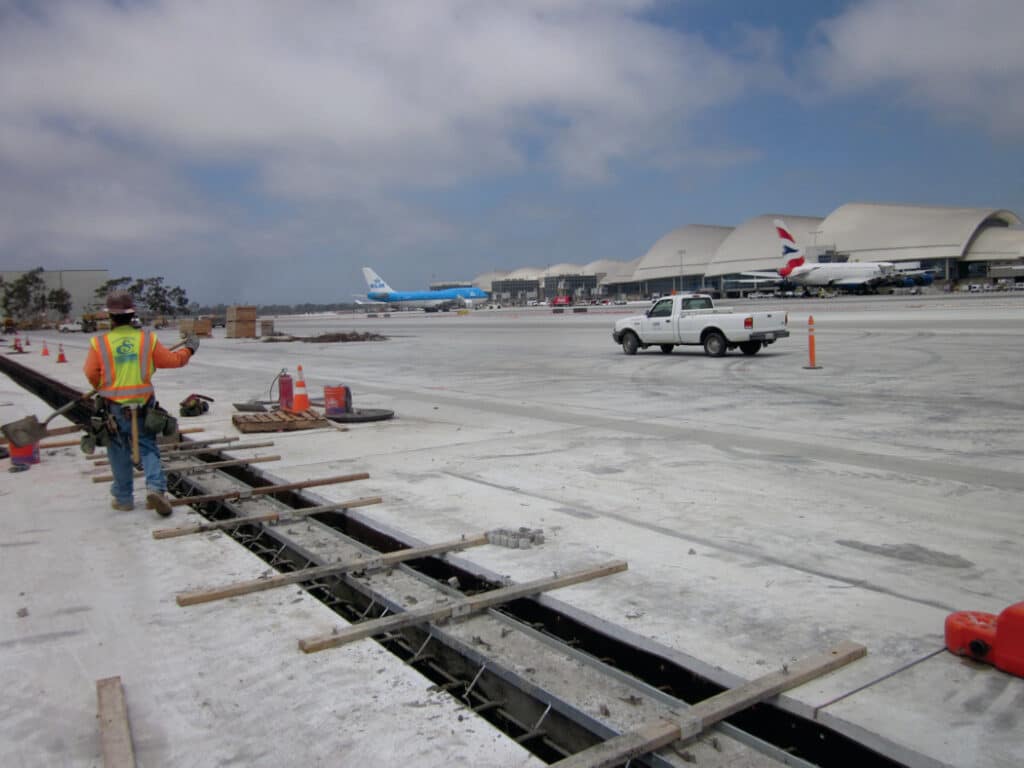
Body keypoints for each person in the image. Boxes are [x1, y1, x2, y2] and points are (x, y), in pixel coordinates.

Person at [83, 291, 199, 516]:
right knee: (147, 446)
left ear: (110, 317)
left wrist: (102, 386)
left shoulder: (100, 343)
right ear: (132, 315)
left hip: (114, 408)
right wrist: (190, 349)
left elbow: (90, 372)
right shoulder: (147, 339)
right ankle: (156, 489)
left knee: (117, 450)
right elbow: (174, 360)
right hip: (144, 406)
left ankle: (124, 498)